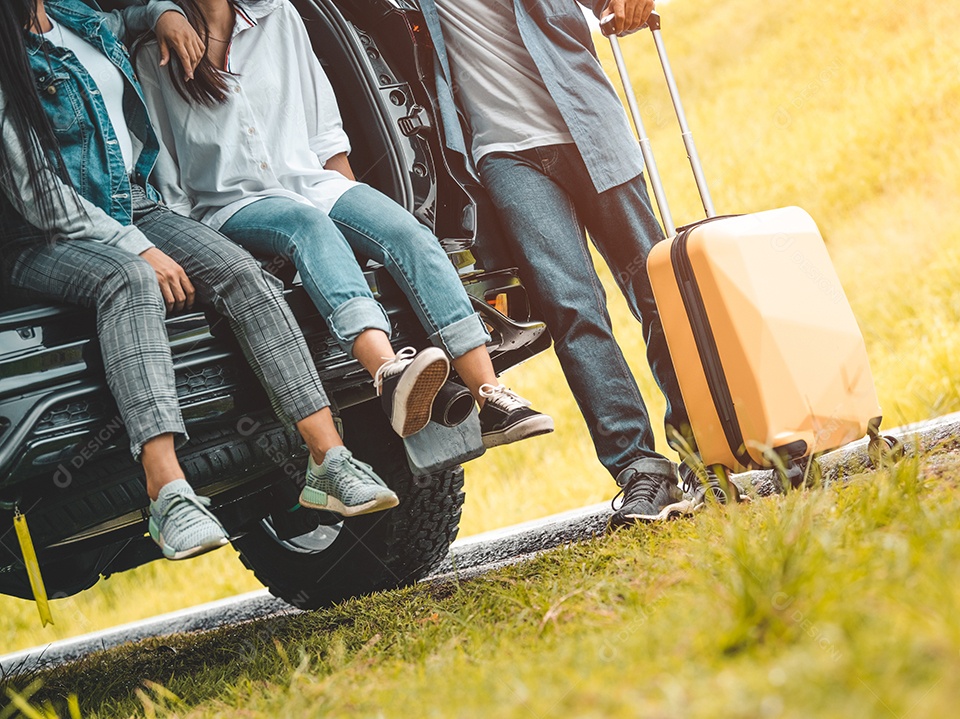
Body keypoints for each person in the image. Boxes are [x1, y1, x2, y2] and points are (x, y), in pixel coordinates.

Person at [0, 0, 400, 563]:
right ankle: (169, 495)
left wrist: (164, 13)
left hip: (131, 204)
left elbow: (129, 21)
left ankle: (328, 461)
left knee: (240, 272)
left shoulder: (74, 17)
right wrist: (137, 247)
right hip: (42, 234)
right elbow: (36, 194)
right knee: (131, 282)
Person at [136, 0, 554, 451]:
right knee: (308, 225)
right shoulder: (151, 55)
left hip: (312, 182)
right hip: (231, 205)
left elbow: (324, 128)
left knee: (408, 234)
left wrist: (360, 215)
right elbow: (167, 176)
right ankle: (388, 375)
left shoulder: (280, 18)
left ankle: (490, 397)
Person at [417, 0, 699, 526]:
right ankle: (640, 470)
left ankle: (705, 445)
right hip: (505, 157)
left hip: (585, 127)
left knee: (659, 293)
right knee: (573, 312)